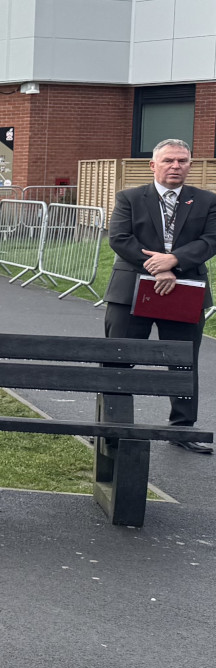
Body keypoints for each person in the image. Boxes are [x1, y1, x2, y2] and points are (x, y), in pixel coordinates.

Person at [106, 139, 213, 453]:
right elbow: (120, 238)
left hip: (185, 291)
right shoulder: (129, 198)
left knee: (182, 363)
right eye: (168, 160)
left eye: (182, 161)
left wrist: (175, 261)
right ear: (153, 165)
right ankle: (112, 427)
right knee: (119, 360)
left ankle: (182, 428)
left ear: (190, 165)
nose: (175, 166)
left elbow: (211, 239)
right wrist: (157, 266)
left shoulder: (207, 201)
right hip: (131, 291)